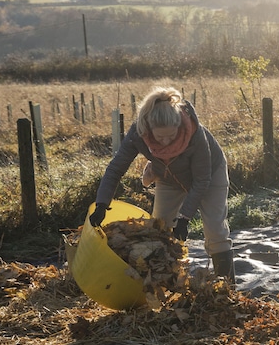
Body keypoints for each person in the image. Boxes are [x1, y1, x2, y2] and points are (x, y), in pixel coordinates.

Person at [89, 87, 234, 280]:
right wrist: (102, 204)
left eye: (171, 136)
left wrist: (184, 218)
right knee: (160, 229)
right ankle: (167, 282)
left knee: (215, 230)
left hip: (209, 175)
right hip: (168, 176)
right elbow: (116, 169)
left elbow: (201, 180)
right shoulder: (137, 134)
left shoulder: (194, 133)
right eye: (159, 137)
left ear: (179, 125)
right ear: (149, 129)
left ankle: (227, 289)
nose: (165, 142)